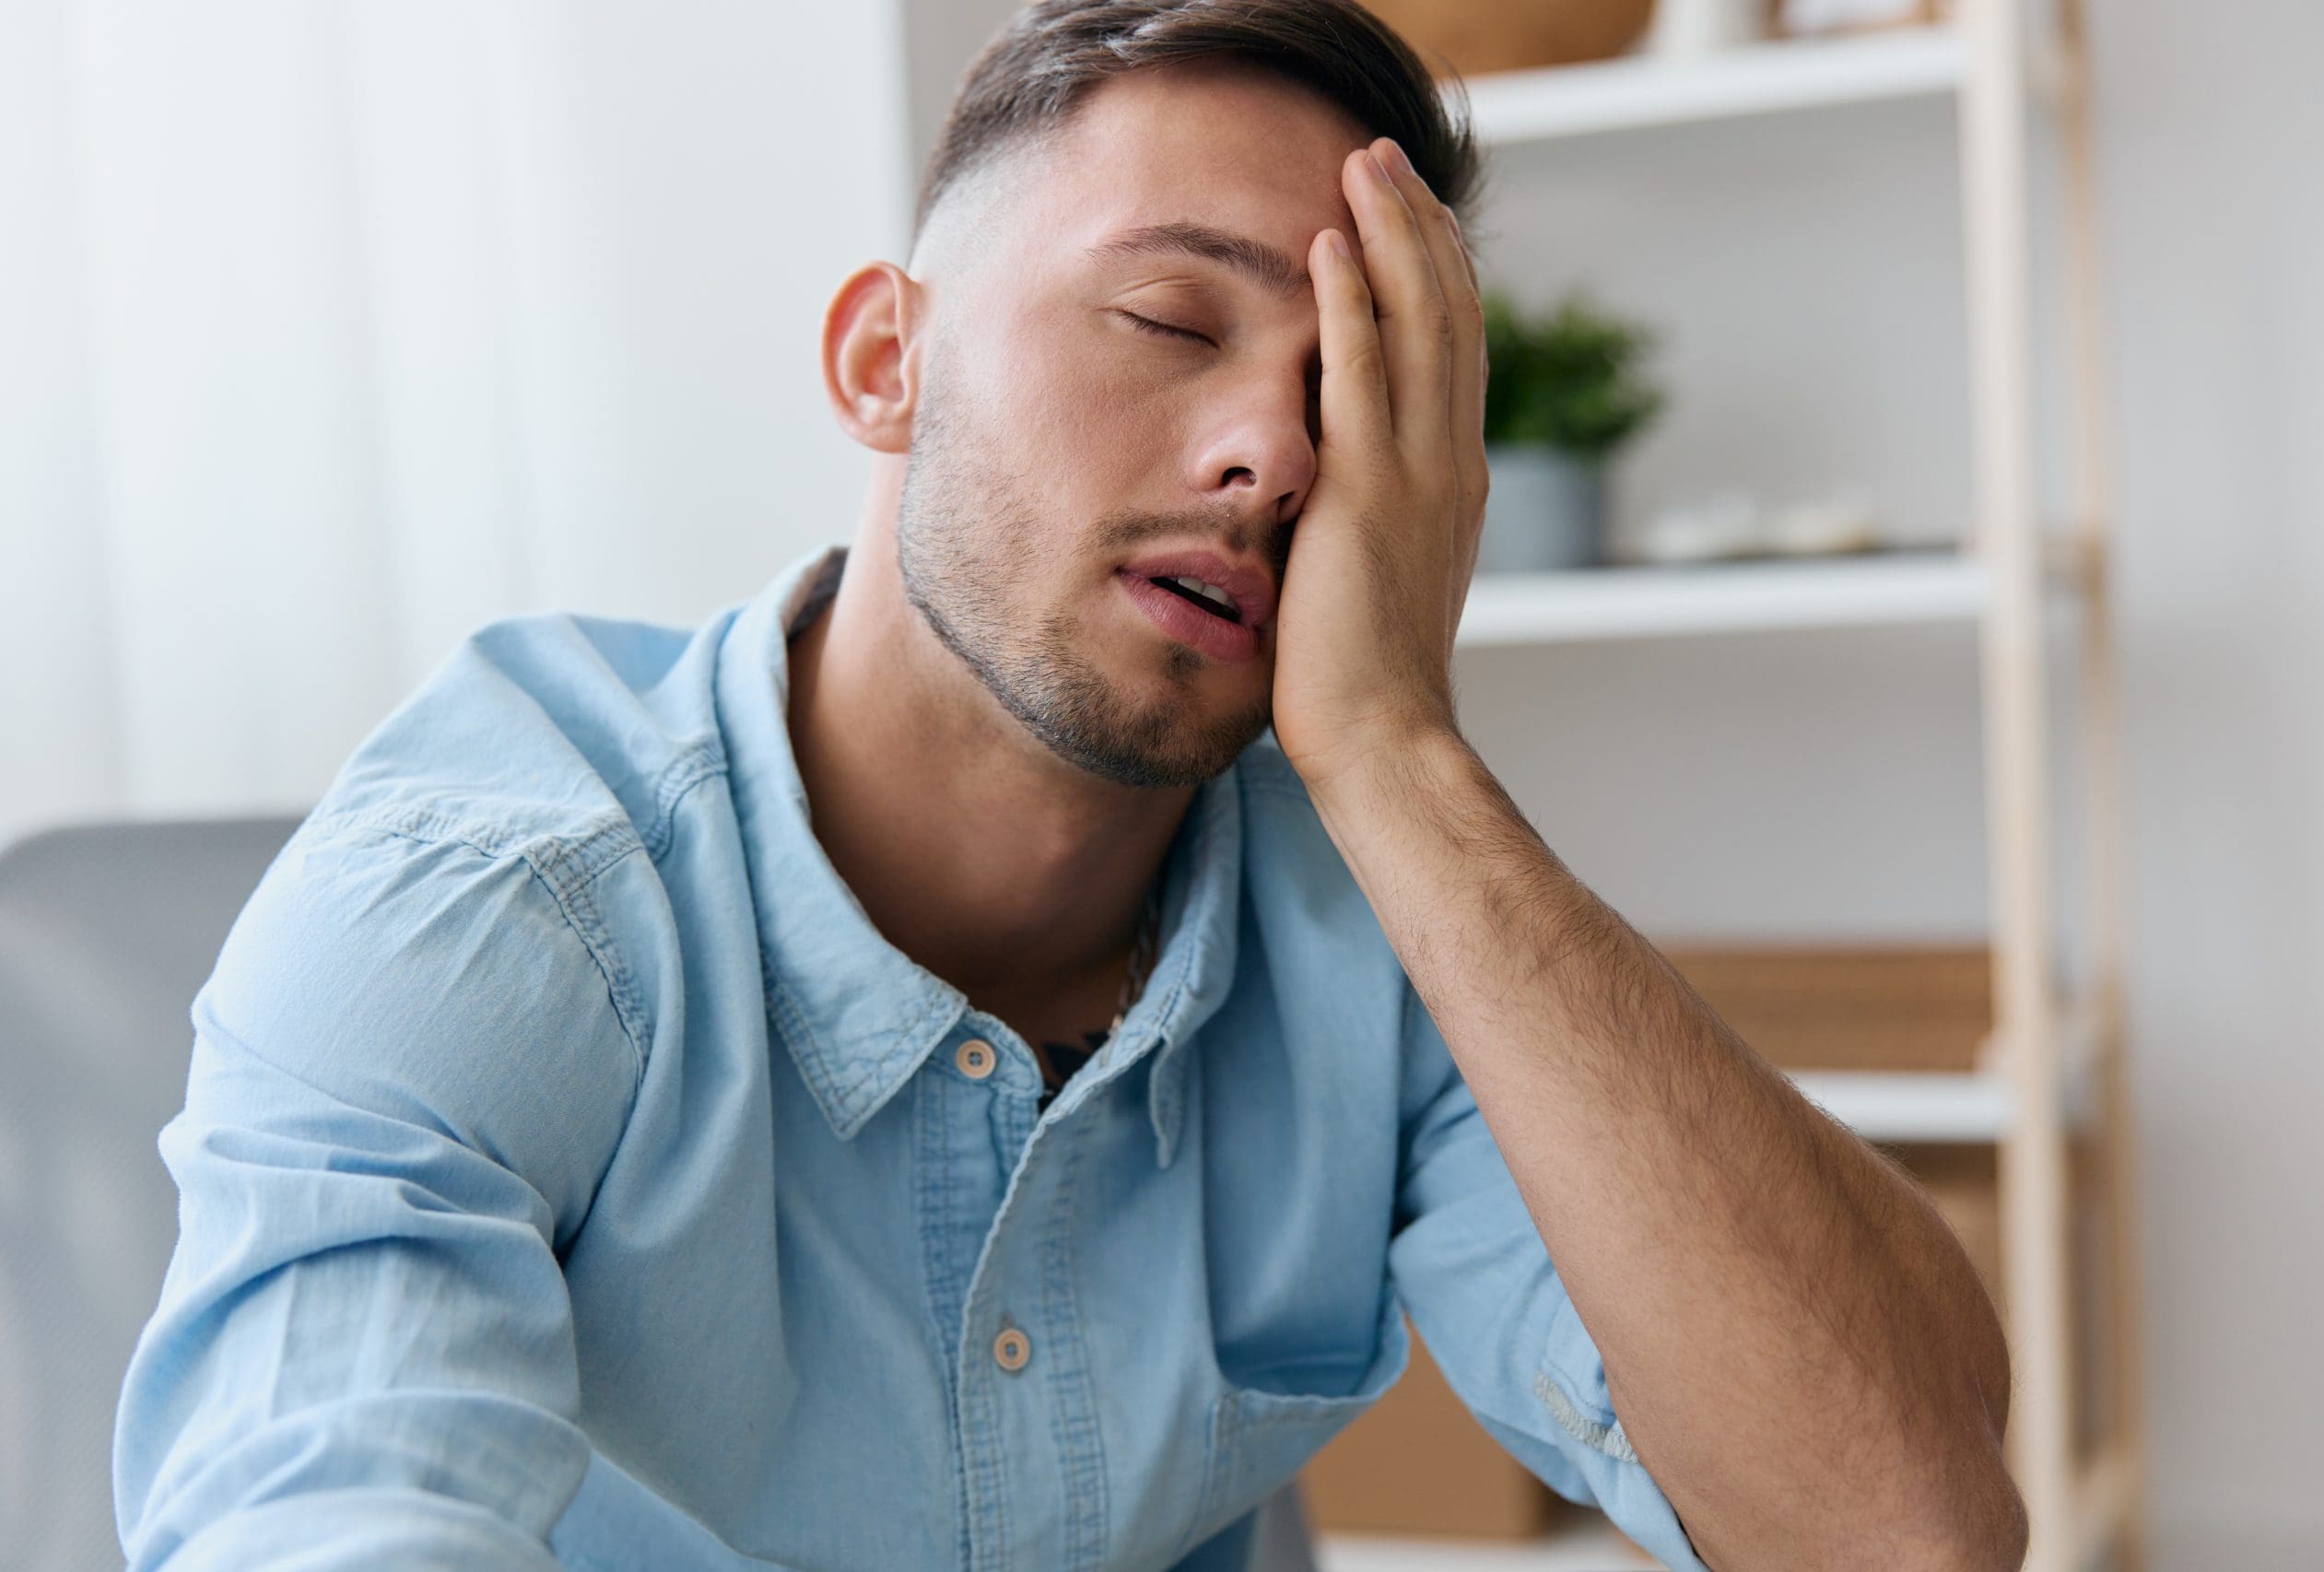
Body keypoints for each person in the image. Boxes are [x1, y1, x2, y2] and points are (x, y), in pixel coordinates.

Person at [112, 3, 2025, 1568]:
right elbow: (327, 1513)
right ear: (886, 360)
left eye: (1350, 399)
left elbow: (1906, 1526)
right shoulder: (492, 897)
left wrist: (1399, 751)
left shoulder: (1377, 924)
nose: (1272, 456)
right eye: (1173, 322)